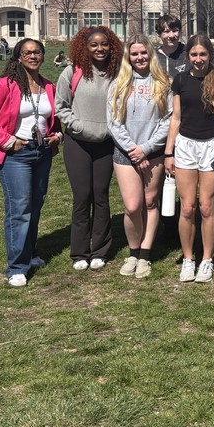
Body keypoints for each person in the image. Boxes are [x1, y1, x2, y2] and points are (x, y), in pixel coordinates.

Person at [0, 38, 62, 288]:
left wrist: (57, 135)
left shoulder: (48, 86)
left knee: (36, 205)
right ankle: (16, 266)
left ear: (43, 56)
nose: (33, 56)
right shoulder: (6, 84)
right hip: (16, 154)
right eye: (27, 53)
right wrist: (6, 141)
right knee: (20, 208)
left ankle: (30, 253)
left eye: (37, 52)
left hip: (42, 152)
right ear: (18, 57)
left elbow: (52, 120)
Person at [163, 34, 214, 284]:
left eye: (203, 54)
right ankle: (188, 259)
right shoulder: (180, 80)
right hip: (185, 147)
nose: (199, 59)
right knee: (188, 207)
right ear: (188, 56)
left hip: (212, 147)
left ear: (210, 56)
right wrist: (169, 152)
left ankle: (206, 260)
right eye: (194, 54)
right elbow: (176, 119)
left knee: (206, 206)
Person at [56, 26, 123, 272]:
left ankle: (100, 251)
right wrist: (79, 126)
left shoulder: (117, 73)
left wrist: (109, 129)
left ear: (111, 45)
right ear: (85, 47)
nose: (99, 49)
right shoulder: (71, 72)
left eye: (104, 44)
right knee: (82, 197)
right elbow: (61, 107)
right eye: (94, 44)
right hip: (78, 143)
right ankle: (80, 252)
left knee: (101, 197)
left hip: (106, 143)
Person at [108, 35, 173, 279]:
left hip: (153, 153)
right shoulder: (119, 83)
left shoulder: (163, 82)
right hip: (125, 153)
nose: (140, 58)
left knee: (149, 202)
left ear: (150, 54)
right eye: (134, 54)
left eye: (143, 53)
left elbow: (168, 121)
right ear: (129, 57)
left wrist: (146, 148)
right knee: (132, 206)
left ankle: (145, 254)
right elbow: (113, 121)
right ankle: (132, 252)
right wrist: (133, 149)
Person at [155, 13, 187, 78]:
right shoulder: (153, 56)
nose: (171, 35)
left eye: (175, 31)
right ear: (158, 34)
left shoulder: (188, 54)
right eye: (167, 31)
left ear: (180, 32)